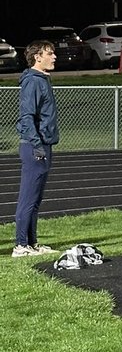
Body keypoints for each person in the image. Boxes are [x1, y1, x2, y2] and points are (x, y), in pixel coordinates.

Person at [12, 40, 59, 257]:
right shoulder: (32, 81)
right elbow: (27, 117)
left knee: (36, 199)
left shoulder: (42, 80)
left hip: (43, 144)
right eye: (49, 53)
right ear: (37, 57)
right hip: (34, 147)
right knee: (28, 198)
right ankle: (21, 245)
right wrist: (37, 146)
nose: (54, 56)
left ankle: (31, 243)